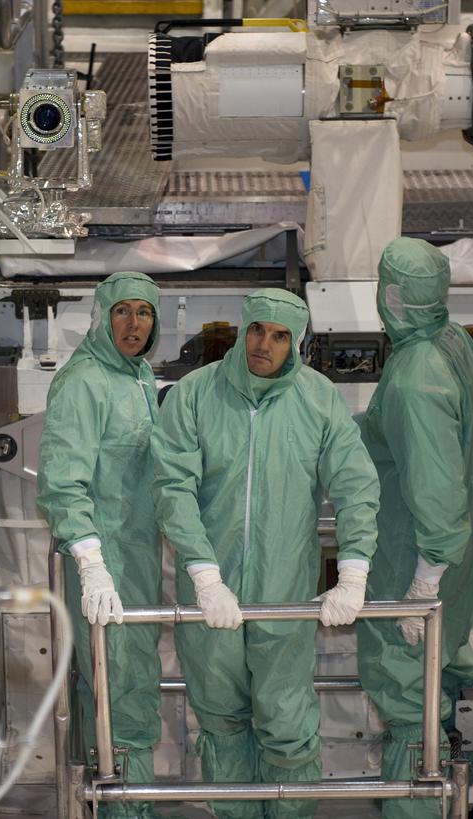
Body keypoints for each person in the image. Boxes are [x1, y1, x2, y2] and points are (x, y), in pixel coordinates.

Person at [151, 288, 381, 819]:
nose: (264, 344)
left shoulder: (317, 398)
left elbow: (355, 485)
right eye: (257, 329)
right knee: (222, 722)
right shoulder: (195, 395)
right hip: (212, 592)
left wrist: (354, 570)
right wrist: (206, 576)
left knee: (287, 722)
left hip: (284, 591)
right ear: (241, 328)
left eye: (279, 336)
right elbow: (172, 488)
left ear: (295, 342)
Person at [355, 238, 473, 819]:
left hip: (420, 556)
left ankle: (416, 808)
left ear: (390, 295)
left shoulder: (414, 375)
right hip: (463, 545)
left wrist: (422, 584)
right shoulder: (451, 341)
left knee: (408, 691)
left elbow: (432, 486)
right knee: (445, 672)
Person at [37, 272, 163, 818]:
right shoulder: (84, 380)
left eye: (144, 312)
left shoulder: (137, 376)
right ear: (101, 316)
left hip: (134, 555)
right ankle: (122, 809)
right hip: (105, 560)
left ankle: (122, 804)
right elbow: (64, 481)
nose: (133, 324)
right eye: (121, 311)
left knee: (123, 685)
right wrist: (91, 564)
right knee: (118, 686)